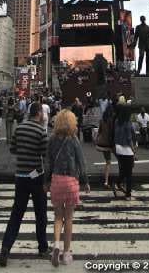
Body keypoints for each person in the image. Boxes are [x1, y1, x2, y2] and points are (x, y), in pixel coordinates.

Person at [0, 102, 49, 268]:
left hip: (20, 176)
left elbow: (13, 149)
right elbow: (44, 153)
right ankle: (42, 248)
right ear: (39, 113)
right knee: (40, 213)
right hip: (36, 175)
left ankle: (5, 248)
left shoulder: (19, 128)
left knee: (16, 214)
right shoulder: (41, 131)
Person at [45, 109, 89, 267]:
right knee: (69, 218)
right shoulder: (73, 139)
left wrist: (46, 182)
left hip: (56, 180)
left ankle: (56, 245)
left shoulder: (52, 140)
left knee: (57, 217)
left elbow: (48, 162)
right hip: (71, 181)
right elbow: (81, 162)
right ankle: (66, 252)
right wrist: (85, 181)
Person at [112, 103, 137, 200]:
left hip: (118, 148)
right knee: (129, 173)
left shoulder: (117, 121)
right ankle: (128, 194)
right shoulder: (128, 122)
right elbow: (129, 138)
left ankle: (118, 183)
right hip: (127, 149)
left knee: (123, 170)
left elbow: (115, 135)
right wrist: (134, 150)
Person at [95, 103, 115, 188]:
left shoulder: (102, 120)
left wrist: (96, 140)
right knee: (121, 160)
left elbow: (99, 132)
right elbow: (113, 133)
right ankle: (121, 181)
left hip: (102, 143)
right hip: (110, 144)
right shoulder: (112, 120)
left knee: (108, 162)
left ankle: (106, 182)